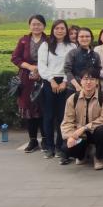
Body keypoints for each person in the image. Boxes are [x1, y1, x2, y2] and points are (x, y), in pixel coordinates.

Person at [38, 19, 76, 159]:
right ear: (53, 30)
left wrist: (65, 81)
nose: (60, 31)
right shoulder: (45, 45)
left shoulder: (72, 46)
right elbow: (42, 65)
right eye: (57, 28)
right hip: (49, 82)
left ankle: (60, 146)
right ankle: (49, 147)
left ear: (66, 30)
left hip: (65, 83)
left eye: (62, 28)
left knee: (62, 116)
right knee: (48, 116)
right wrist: (52, 81)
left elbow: (71, 66)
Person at [59, 68, 103, 169]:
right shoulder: (72, 99)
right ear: (81, 81)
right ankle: (82, 155)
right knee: (66, 148)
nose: (88, 82)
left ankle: (98, 157)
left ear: (97, 82)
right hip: (80, 135)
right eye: (85, 79)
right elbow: (67, 121)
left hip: (94, 132)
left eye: (92, 79)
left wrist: (84, 128)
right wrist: (70, 137)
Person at [11, 14, 47, 153]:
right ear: (30, 26)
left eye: (39, 24)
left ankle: (45, 139)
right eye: (34, 24)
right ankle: (33, 140)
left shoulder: (49, 40)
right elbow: (15, 58)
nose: (36, 26)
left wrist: (40, 69)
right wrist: (30, 67)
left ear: (44, 26)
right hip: (26, 79)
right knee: (29, 109)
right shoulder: (24, 40)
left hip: (44, 77)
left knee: (43, 108)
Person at [64, 28, 103, 93]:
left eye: (87, 36)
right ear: (77, 38)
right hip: (74, 89)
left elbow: (98, 71)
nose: (84, 39)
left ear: (91, 38)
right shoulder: (72, 53)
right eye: (81, 36)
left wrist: (96, 86)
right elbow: (67, 71)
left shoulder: (96, 55)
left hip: (92, 90)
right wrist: (77, 86)